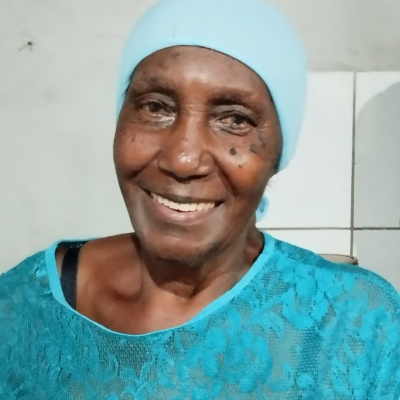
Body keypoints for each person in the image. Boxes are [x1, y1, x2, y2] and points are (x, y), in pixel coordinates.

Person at [1, 0, 399, 398]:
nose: (183, 159)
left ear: (279, 151)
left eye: (235, 119)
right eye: (156, 107)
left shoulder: (357, 326)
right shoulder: (20, 310)